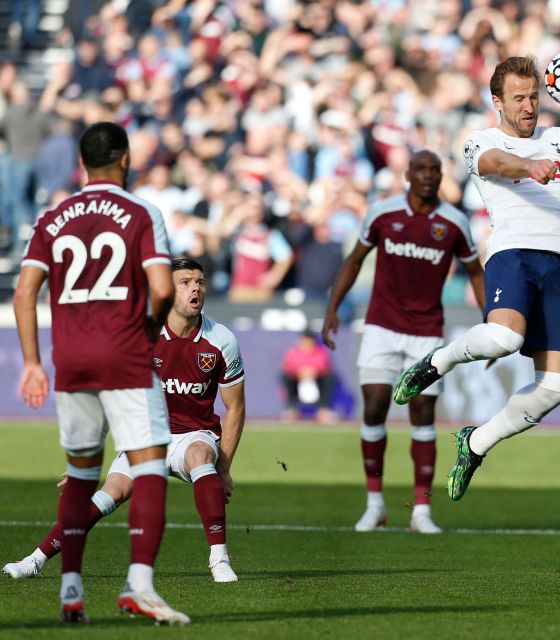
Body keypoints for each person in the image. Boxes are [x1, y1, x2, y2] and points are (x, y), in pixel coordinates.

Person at [392, 55, 560, 501]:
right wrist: (528, 167)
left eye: (534, 97)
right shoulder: (478, 140)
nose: (528, 106)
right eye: (518, 98)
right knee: (504, 339)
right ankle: (436, 363)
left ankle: (476, 442)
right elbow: (497, 163)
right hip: (513, 253)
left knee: (556, 387)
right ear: (497, 101)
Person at [12, 122, 189, 624]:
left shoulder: (52, 217)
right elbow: (160, 288)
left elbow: (24, 293)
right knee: (149, 465)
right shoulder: (140, 212)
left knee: (82, 473)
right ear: (125, 160)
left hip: (71, 361)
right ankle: (140, 586)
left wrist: (32, 362)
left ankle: (71, 589)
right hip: (126, 355)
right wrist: (149, 331)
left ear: (82, 164)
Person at [4, 257, 246, 585]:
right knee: (110, 494)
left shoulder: (222, 340)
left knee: (200, 456)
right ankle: (34, 560)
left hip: (194, 434)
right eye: (185, 282)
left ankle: (219, 559)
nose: (195, 288)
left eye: (200, 282)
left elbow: (235, 407)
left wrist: (225, 467)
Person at [322, 149, 485, 533]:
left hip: (427, 331)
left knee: (423, 416)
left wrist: (490, 323)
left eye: (435, 170)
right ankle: (375, 504)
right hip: (380, 324)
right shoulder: (383, 213)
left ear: (441, 176)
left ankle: (421, 511)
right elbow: (355, 260)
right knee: (375, 406)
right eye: (421, 169)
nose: (428, 175)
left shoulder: (454, 222)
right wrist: (333, 308)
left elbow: (476, 272)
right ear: (407, 174)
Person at [281, 329, 337, 423]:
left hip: (316, 380)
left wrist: (313, 372)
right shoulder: (293, 352)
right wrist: (299, 372)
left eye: (308, 340)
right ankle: (292, 409)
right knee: (286, 377)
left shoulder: (320, 352)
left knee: (329, 377)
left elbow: (323, 366)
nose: (305, 342)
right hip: (297, 380)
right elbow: (287, 366)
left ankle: (324, 409)